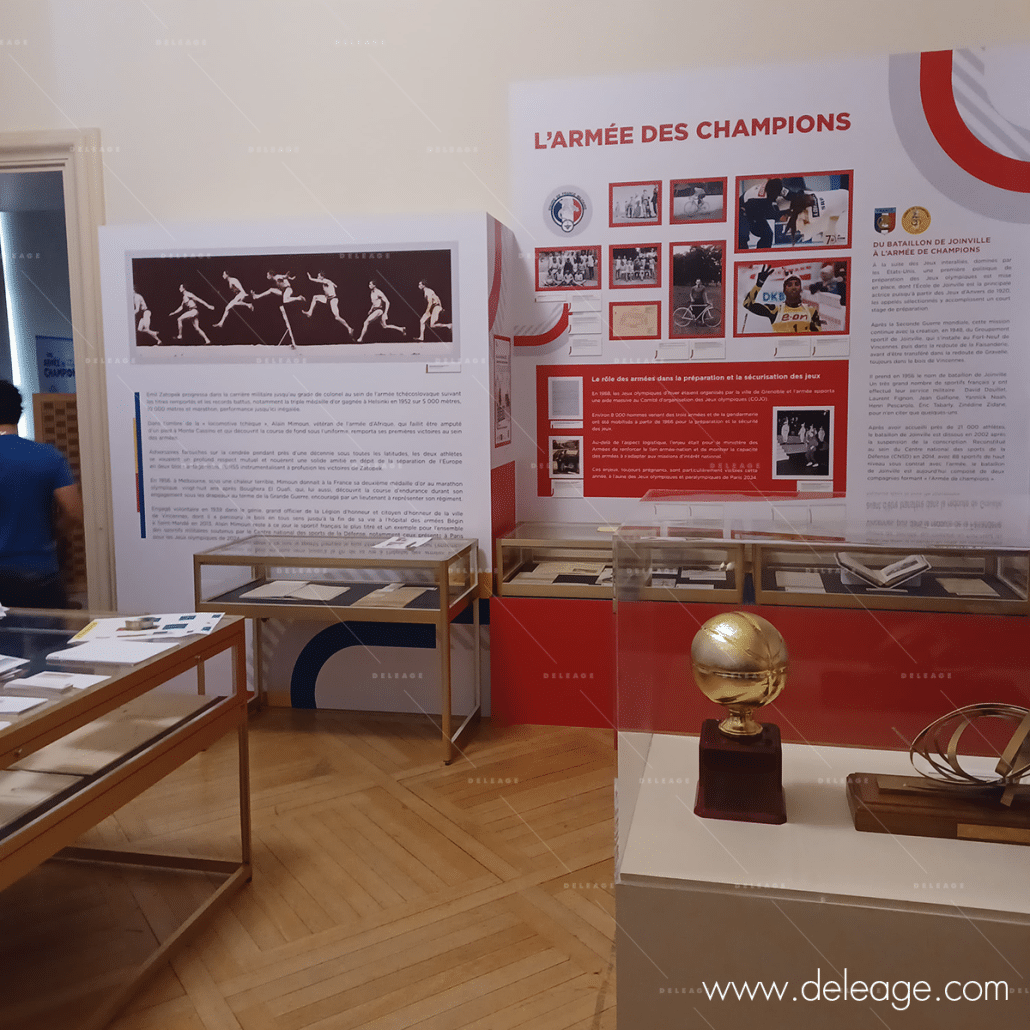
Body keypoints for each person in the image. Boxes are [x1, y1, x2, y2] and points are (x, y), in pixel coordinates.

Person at [0, 380, 82, 608]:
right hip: (39, 571)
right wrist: (54, 536)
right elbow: (73, 511)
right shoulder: (48, 456)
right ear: (19, 413)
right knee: (48, 631)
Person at [742, 267, 821, 333]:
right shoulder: (775, 310)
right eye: (789, 285)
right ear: (784, 290)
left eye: (796, 284)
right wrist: (759, 284)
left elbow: (817, 337)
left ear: (801, 289)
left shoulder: (811, 311)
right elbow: (747, 303)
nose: (793, 287)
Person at [304, 271, 354, 337]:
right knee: (315, 297)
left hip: (333, 299)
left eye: (319, 276)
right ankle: (310, 312)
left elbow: (319, 281)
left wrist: (310, 278)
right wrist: (334, 284)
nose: (317, 277)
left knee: (337, 317)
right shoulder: (327, 281)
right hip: (327, 298)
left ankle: (349, 328)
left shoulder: (326, 281)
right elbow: (334, 285)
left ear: (322, 277)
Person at [741, 177, 784, 249]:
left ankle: (761, 254)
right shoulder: (761, 199)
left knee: (768, 234)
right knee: (742, 237)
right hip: (743, 211)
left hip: (753, 209)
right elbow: (769, 214)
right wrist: (781, 215)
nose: (777, 197)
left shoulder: (770, 187)